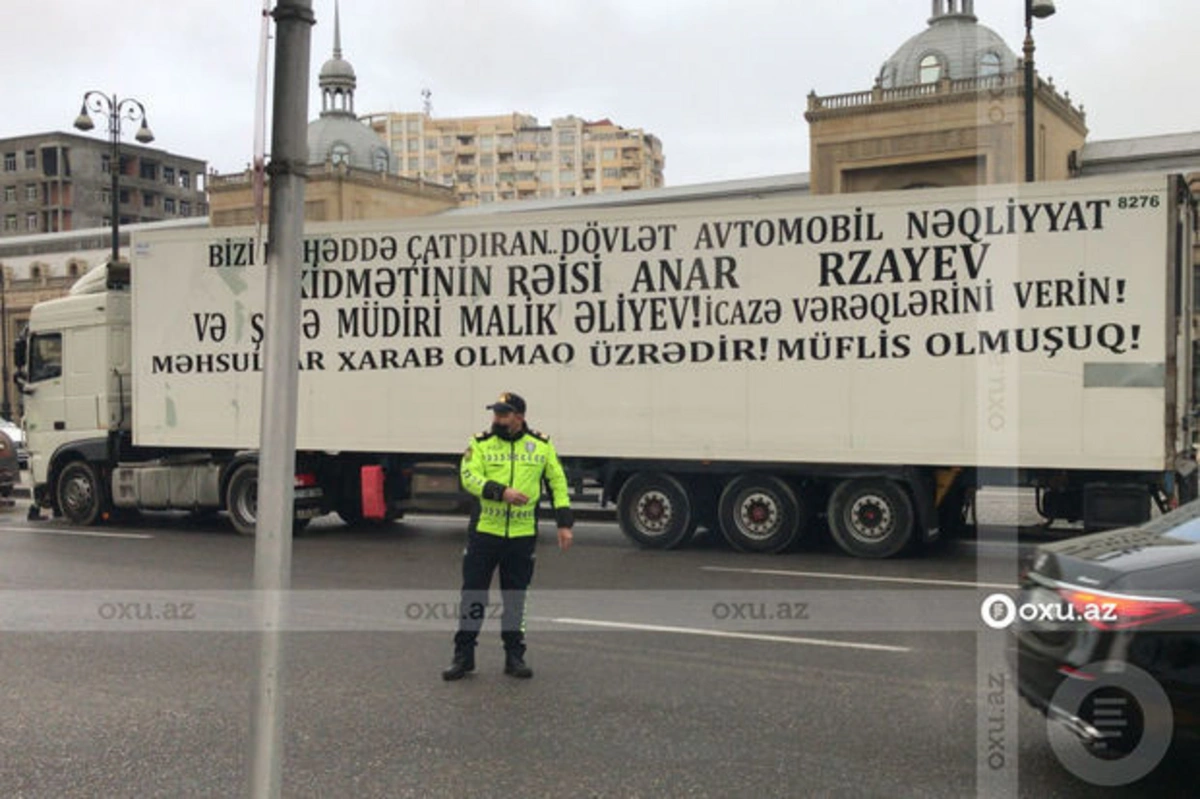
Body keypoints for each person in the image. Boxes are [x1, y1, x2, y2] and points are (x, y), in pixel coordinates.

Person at [442, 391, 574, 680]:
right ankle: (463, 656)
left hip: (522, 534)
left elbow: (557, 481)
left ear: (520, 417)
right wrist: (500, 492)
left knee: (516, 597)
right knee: (473, 594)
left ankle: (515, 656)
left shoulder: (540, 445)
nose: (497, 419)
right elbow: (469, 477)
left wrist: (564, 523)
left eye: (503, 414)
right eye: (495, 413)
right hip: (485, 533)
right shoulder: (480, 443)